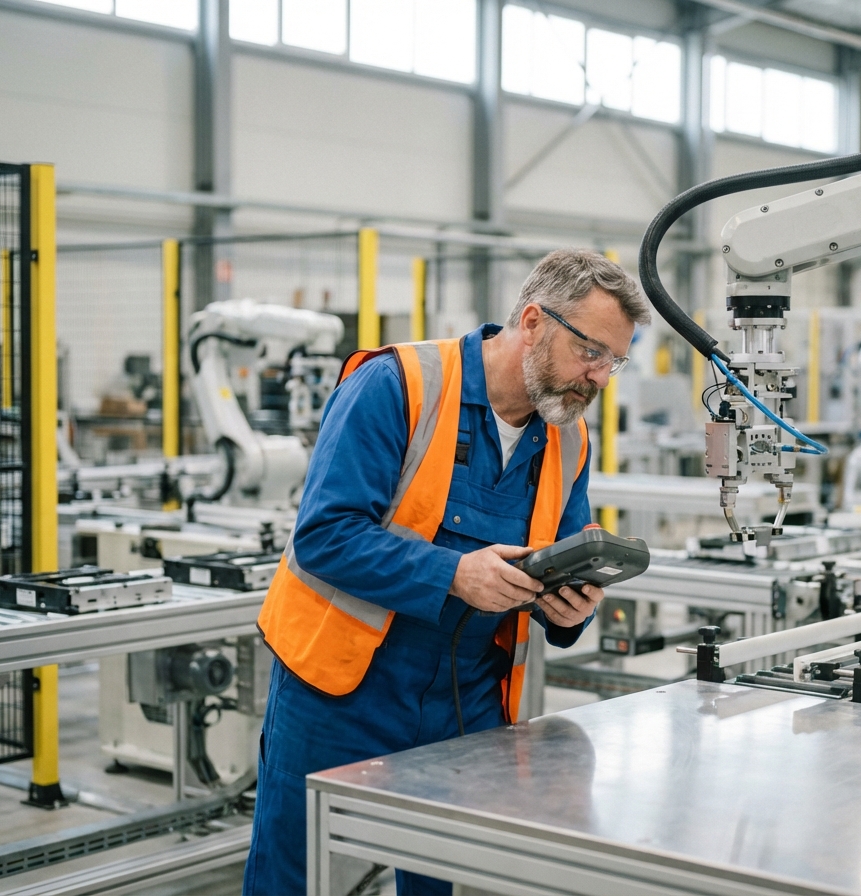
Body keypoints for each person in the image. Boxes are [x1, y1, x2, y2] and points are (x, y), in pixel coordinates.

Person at [242, 249, 650, 895]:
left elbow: (565, 555)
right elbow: (324, 535)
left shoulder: (568, 437)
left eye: (613, 361)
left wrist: (570, 610)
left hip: (467, 696)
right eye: (590, 352)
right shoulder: (397, 385)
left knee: (439, 879)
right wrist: (454, 575)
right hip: (341, 686)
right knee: (295, 876)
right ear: (535, 322)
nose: (599, 377)